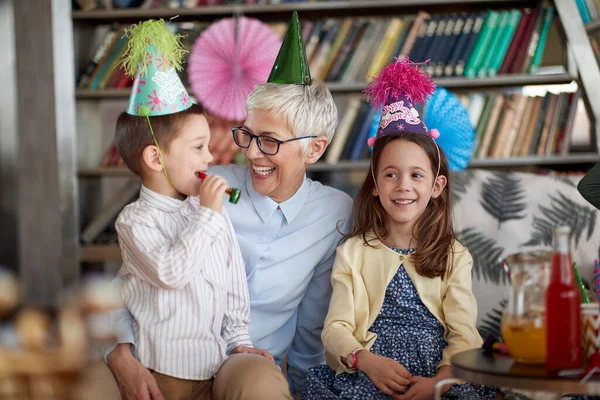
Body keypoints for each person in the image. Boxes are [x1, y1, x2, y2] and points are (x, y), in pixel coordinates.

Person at [104, 12, 353, 400]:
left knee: (261, 384)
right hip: (166, 352)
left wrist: (308, 391)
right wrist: (121, 352)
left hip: (245, 357)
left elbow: (313, 325)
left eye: (268, 140)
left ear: (315, 148)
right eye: (247, 135)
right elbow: (133, 276)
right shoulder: (200, 183)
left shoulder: (335, 213)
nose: (251, 153)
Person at [302, 59, 496, 400]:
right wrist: (364, 360)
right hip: (372, 371)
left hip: (437, 374)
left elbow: (464, 333)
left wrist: (441, 380)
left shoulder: (454, 256)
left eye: (416, 175)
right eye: (391, 174)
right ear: (375, 184)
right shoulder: (354, 253)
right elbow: (336, 328)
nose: (403, 185)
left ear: (436, 186)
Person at [110, 20, 274, 400]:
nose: (211, 156)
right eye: (198, 147)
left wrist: (240, 341)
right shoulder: (134, 221)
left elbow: (232, 281)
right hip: (166, 373)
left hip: (216, 366)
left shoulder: (207, 209)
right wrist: (209, 214)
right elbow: (170, 272)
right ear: (155, 158)